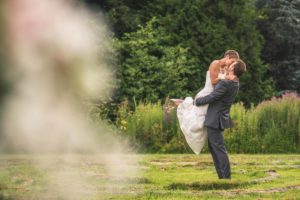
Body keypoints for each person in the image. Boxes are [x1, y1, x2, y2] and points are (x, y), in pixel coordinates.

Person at [172, 50, 239, 154]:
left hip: (212, 97)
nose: (232, 64)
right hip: (207, 95)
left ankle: (183, 103)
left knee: (203, 123)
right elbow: (213, 81)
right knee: (197, 122)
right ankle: (182, 104)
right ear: (227, 57)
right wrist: (226, 77)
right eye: (232, 61)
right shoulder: (215, 63)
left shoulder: (226, 69)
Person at [195, 59, 246, 179]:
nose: (229, 65)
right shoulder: (235, 83)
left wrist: (197, 101)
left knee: (218, 149)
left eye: (231, 65)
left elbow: (213, 96)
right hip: (219, 118)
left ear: (233, 68)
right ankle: (222, 176)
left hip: (215, 118)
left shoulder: (226, 83)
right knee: (214, 148)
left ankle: (226, 177)